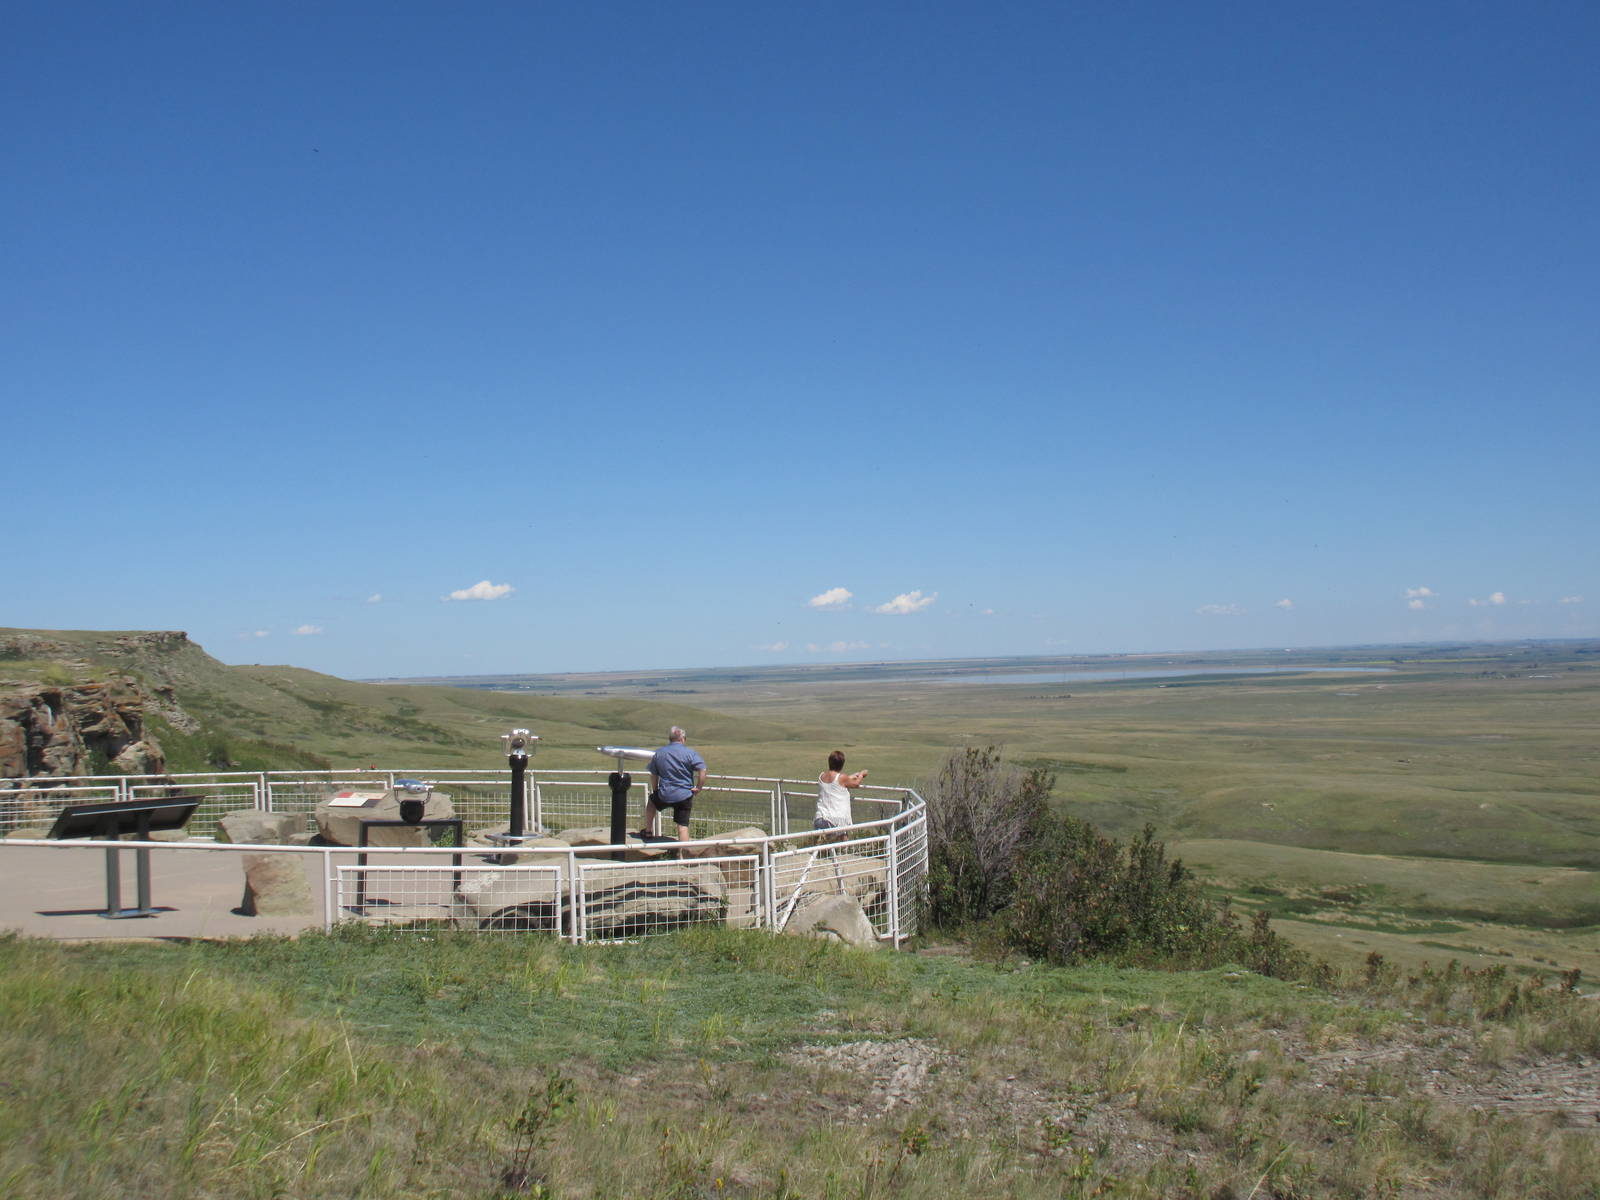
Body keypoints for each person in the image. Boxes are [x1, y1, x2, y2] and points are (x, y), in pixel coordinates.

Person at [642, 726, 706, 843]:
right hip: (684, 794)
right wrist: (698, 787)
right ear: (682, 739)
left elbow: (653, 774)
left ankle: (648, 830)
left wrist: (656, 790)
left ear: (670, 739)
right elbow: (702, 769)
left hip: (664, 793)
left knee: (651, 802)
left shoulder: (659, 753)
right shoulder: (690, 753)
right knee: (682, 827)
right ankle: (683, 856)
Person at [815, 750, 867, 831]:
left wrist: (850, 777)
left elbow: (836, 784)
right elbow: (856, 784)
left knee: (823, 843)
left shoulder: (822, 776)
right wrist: (861, 775)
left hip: (820, 817)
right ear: (841, 764)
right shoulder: (842, 777)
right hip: (836, 820)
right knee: (842, 843)